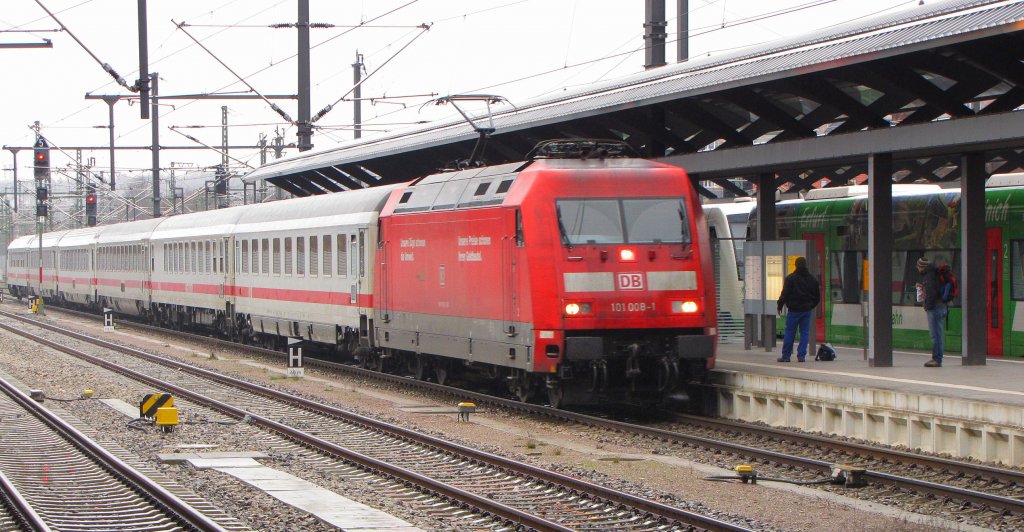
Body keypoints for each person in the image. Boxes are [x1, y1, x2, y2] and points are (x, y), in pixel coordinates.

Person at [776, 256, 820, 362]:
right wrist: (811, 305)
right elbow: (817, 297)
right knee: (804, 332)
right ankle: (801, 356)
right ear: (806, 265)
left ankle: (786, 356)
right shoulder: (812, 279)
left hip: (794, 310)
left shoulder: (790, 278)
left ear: (795, 265)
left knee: (790, 332)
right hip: (806, 310)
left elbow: (784, 294)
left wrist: (780, 305)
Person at [916, 257, 946, 367]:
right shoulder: (934, 274)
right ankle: (937, 358)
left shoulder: (929, 276)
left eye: (918, 267)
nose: (918, 269)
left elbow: (932, 293)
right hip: (941, 306)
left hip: (935, 308)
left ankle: (937, 359)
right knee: (938, 334)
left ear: (922, 267)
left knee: (935, 335)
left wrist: (927, 306)